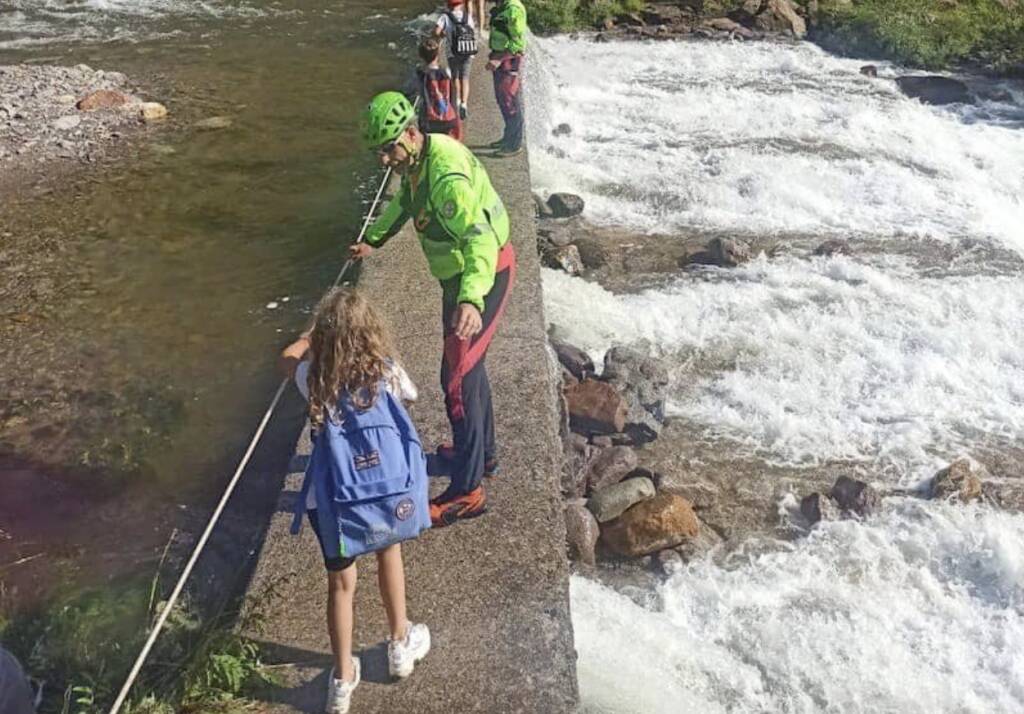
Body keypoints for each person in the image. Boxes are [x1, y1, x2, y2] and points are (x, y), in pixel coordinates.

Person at [352, 91, 516, 527]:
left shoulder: (444, 177)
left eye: (388, 148)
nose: (385, 160)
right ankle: (482, 454)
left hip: (482, 276)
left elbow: (479, 238)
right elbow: (406, 203)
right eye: (379, 152)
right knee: (469, 371)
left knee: (458, 379)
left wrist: (470, 300)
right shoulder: (418, 161)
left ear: (410, 133)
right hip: (461, 277)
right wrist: (376, 239)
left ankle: (469, 491)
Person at [280, 288, 431, 714]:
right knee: (389, 553)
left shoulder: (313, 379)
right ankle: (400, 642)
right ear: (372, 332)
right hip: (383, 490)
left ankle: (343, 679)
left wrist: (309, 338)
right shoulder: (387, 372)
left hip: (332, 500)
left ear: (326, 337)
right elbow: (412, 396)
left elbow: (285, 358)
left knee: (341, 585)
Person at [486, 0, 527, 157]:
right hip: (500, 56)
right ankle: (507, 137)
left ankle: (514, 144)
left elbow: (518, 43)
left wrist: (499, 59)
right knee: (502, 99)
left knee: (510, 100)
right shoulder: (503, 7)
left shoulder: (514, 9)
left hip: (509, 60)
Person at [433, 0, 476, 121]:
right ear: (461, 4)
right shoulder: (467, 16)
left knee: (455, 76)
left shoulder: (445, 17)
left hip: (453, 52)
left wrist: (443, 34)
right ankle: (464, 103)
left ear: (448, 4)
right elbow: (472, 31)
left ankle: (456, 101)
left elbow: (436, 32)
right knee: (465, 77)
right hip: (468, 51)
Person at [417, 36, 463, 141]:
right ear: (437, 55)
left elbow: (413, 91)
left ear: (420, 56)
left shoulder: (420, 74)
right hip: (448, 117)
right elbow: (454, 93)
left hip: (429, 120)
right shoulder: (446, 72)